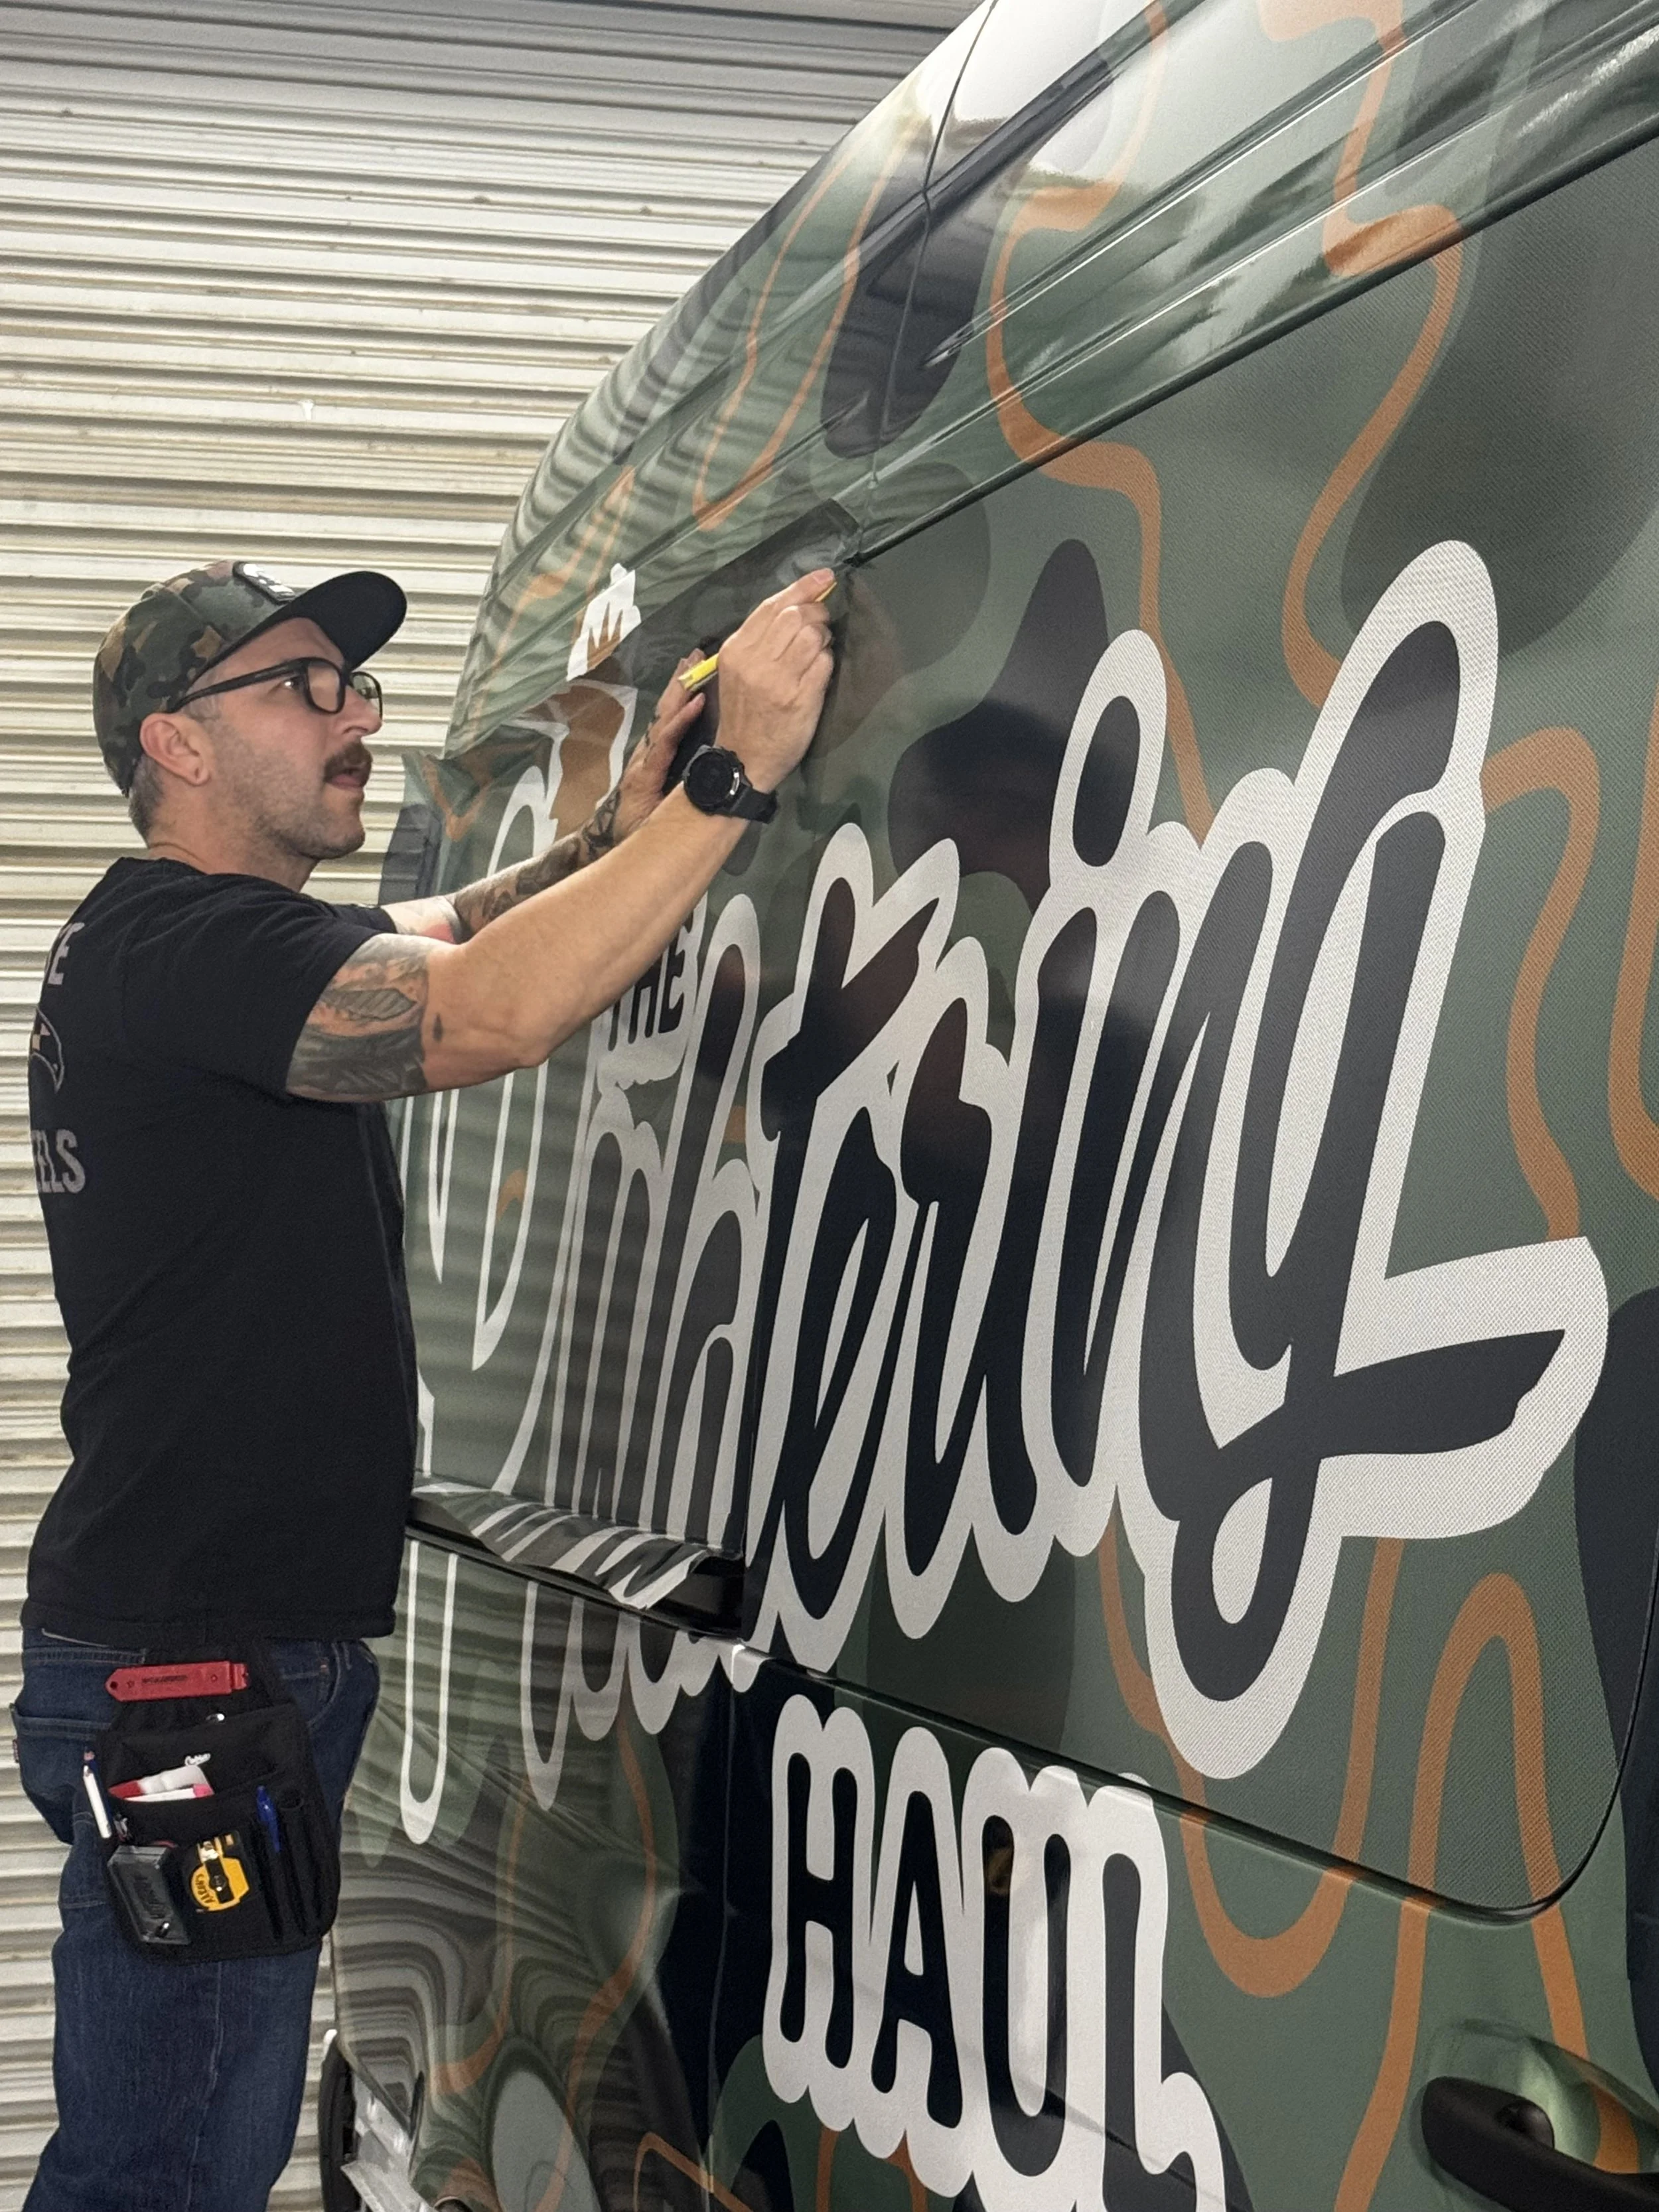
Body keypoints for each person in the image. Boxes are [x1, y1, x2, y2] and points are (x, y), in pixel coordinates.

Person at [11, 554, 835, 2211]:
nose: (354, 719)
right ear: (175, 743)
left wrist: (628, 819)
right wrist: (735, 781)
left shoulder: (189, 943)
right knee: (167, 2169)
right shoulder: (189, 947)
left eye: (357, 685)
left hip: (206, 1657)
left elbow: (448, 925)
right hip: (199, 1678)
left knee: (171, 2142)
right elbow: (486, 1008)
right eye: (302, 686)